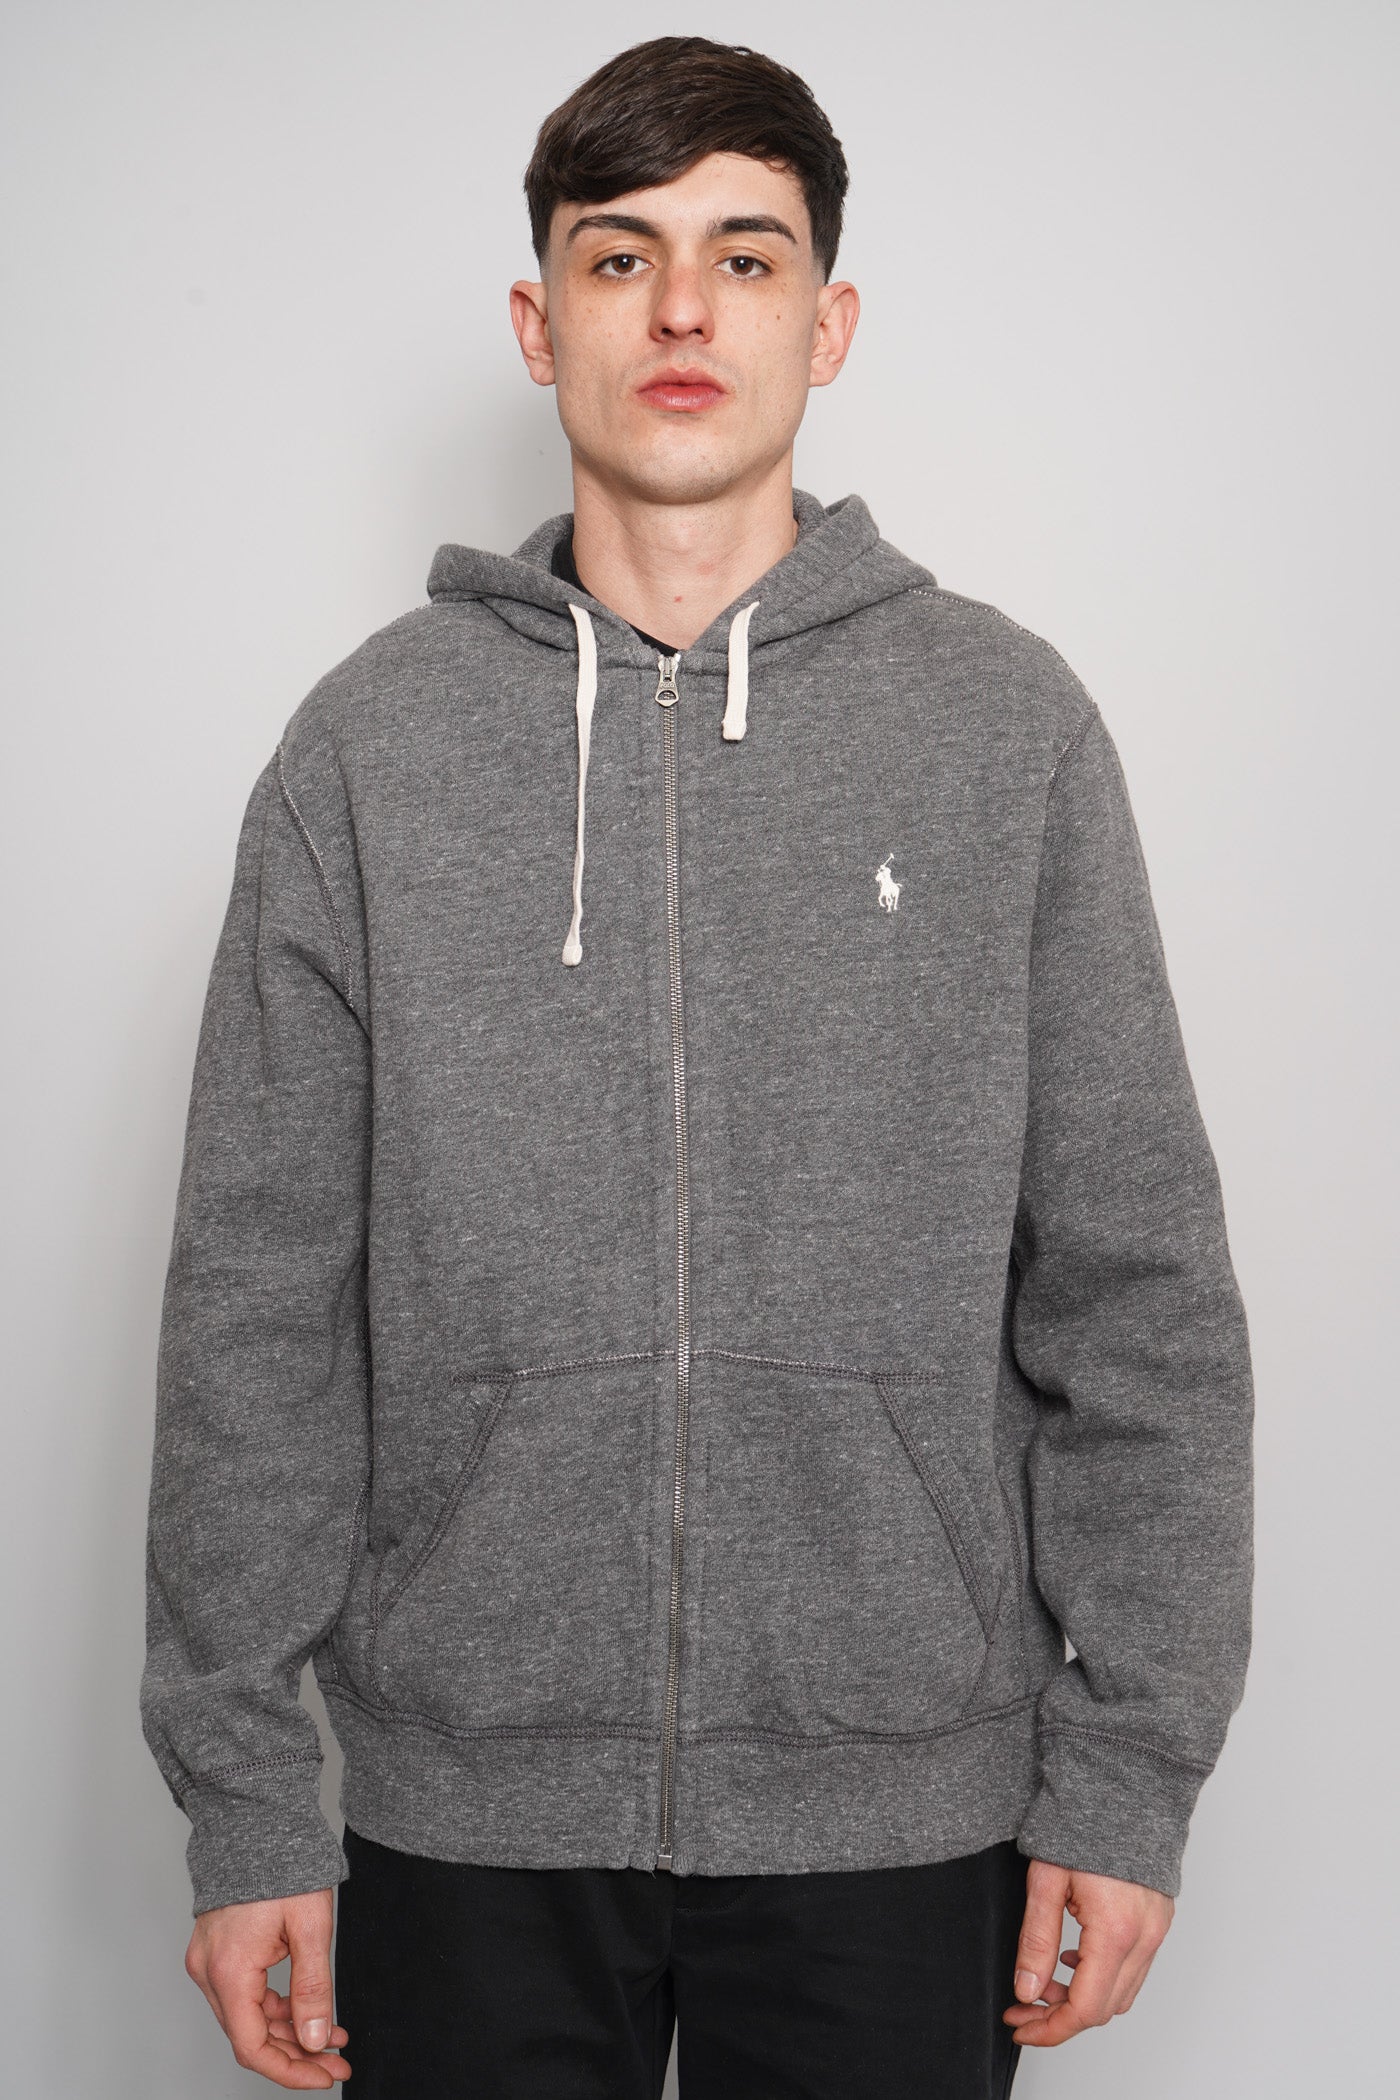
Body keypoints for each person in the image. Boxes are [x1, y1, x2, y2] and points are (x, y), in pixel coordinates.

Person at [140, 34, 1255, 2097]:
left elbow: (1139, 1294)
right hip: (461, 1803)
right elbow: (255, 1310)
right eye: (618, 254)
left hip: (903, 1805)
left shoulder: (1004, 733)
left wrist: (1128, 1774)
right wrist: (247, 1799)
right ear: (536, 322)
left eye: (744, 258)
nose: (679, 309)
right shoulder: (368, 753)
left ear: (825, 326)